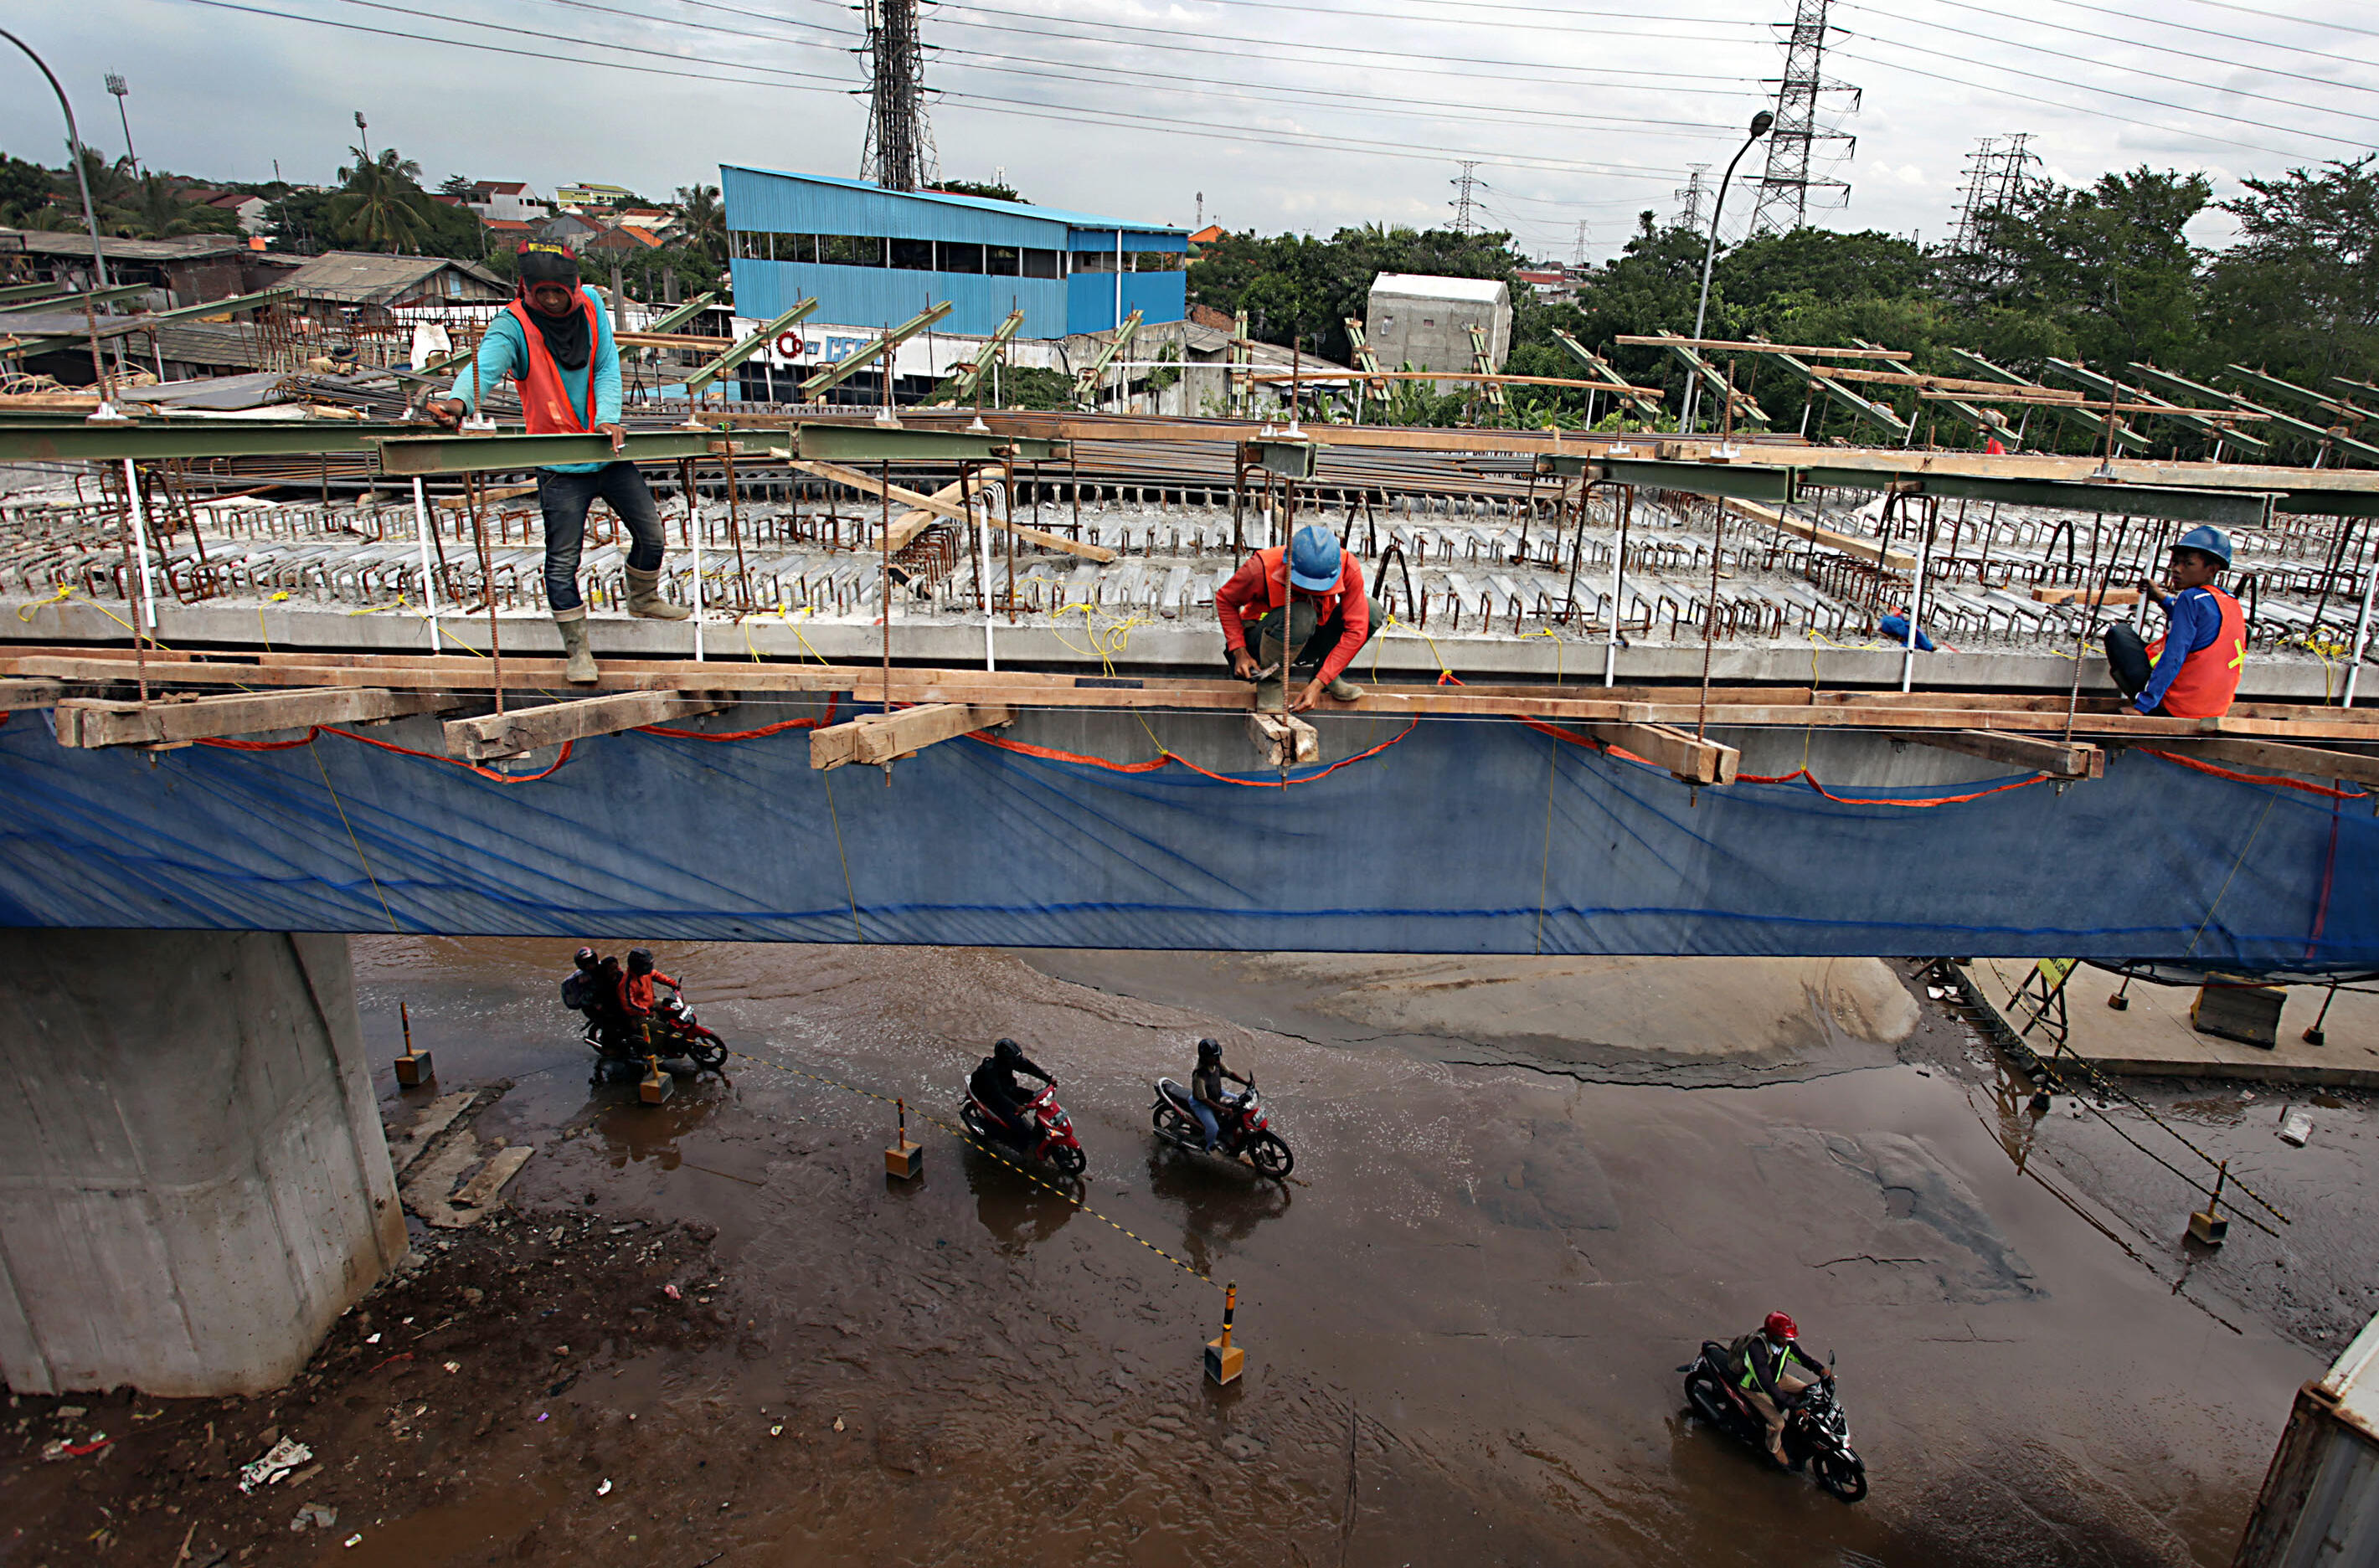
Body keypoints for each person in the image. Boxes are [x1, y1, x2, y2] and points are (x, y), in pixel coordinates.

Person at [425, 241, 687, 687]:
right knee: (563, 560)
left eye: (558, 293)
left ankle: (642, 598)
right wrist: (458, 402)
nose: (550, 301)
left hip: (604, 452)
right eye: (541, 292)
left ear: (574, 288)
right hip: (557, 462)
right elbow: (485, 366)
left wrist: (608, 420)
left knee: (653, 533)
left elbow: (606, 367)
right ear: (526, 289)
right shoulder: (512, 325)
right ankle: (578, 649)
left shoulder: (592, 310)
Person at [1215, 524, 1383, 713]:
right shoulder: (1259, 568)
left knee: (1371, 610)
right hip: (1262, 646)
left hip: (1307, 637)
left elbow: (1356, 631)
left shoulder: (1347, 566)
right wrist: (1239, 651)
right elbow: (1225, 600)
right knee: (1302, 614)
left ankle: (1329, 676)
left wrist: (1320, 683)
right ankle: (1271, 683)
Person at [2103, 525, 2246, 718]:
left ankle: (2146, 702)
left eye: (2188, 564)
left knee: (2119, 634)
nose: (2176, 570)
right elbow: (2194, 622)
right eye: (2174, 563)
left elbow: (2174, 656)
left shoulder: (2190, 598)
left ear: (2211, 569)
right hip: (2213, 709)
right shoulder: (2228, 600)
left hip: (2178, 708)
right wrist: (2161, 598)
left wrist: (2143, 706)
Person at [1733, 1310, 1832, 1468]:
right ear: (1772, 1335)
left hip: (1776, 1379)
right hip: (1754, 1387)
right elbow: (1767, 1385)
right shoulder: (1757, 1349)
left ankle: (1794, 1426)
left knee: (1808, 1392)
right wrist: (1792, 1404)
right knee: (1777, 1423)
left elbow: (1803, 1359)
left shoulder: (1786, 1344)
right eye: (1783, 1338)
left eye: (1788, 1339)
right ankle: (1774, 1449)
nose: (1787, 1342)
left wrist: (1821, 1370)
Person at [970, 1038, 1054, 1147]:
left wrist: (1048, 1079)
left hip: (1007, 1090)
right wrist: (1016, 1107)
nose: (1016, 1062)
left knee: (1036, 1098)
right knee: (1017, 1125)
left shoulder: (1012, 1061)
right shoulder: (991, 1071)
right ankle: (1019, 1145)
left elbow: (1029, 1068)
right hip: (992, 1097)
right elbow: (998, 1094)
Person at [1188, 1037, 1253, 1154]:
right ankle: (1208, 1147)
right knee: (1214, 1128)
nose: (1217, 1058)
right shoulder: (1199, 1075)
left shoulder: (1217, 1064)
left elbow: (1230, 1074)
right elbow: (1204, 1099)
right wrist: (1224, 1109)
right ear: (1205, 1058)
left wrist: (1246, 1083)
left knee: (1239, 1101)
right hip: (1201, 1104)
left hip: (1217, 1093)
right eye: (1214, 1056)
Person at [616, 948, 679, 1054]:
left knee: (673, 1007)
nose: (649, 967)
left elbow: (657, 975)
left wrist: (673, 984)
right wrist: (646, 1012)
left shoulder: (645, 973)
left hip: (649, 1003)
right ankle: (650, 1053)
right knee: (662, 1029)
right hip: (638, 1014)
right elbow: (629, 1005)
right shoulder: (626, 984)